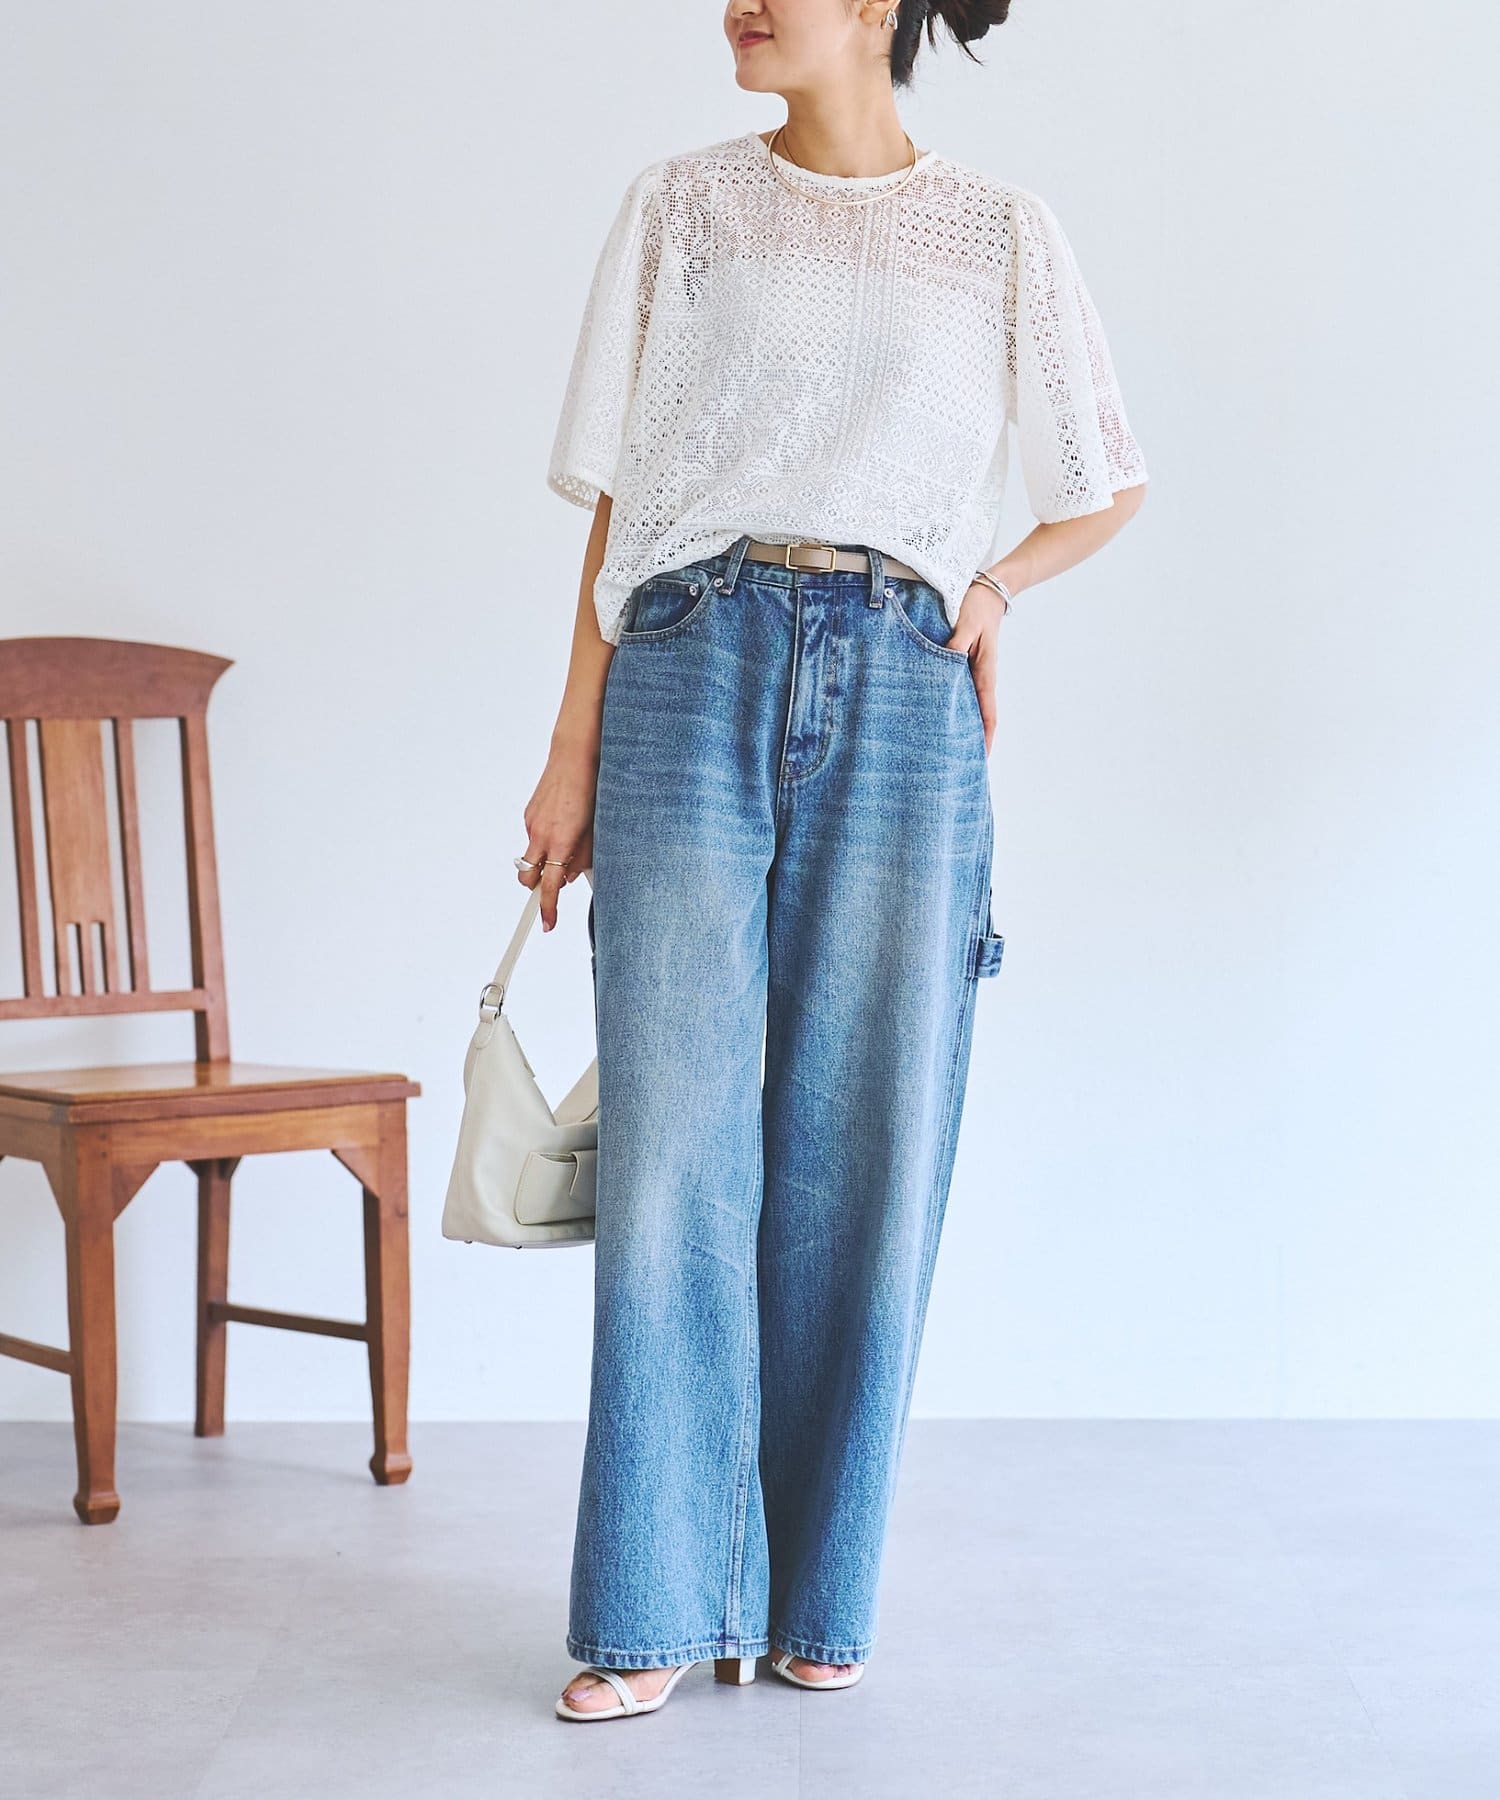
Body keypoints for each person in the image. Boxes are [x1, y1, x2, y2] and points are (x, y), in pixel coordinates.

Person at [523, 0, 1149, 1722]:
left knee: (865, 1148)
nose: (737, 1)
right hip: (684, 661)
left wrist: (994, 588)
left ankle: (819, 1589)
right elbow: (619, 498)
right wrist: (569, 750)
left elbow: (1107, 477)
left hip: (902, 682)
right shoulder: (682, 206)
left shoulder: (999, 232)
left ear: (878, 3)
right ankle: (653, 1606)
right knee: (671, 1151)